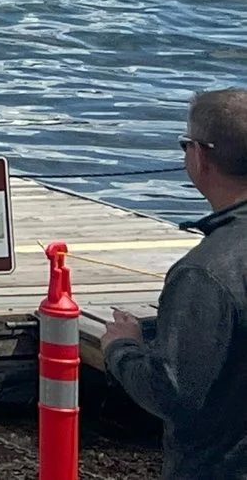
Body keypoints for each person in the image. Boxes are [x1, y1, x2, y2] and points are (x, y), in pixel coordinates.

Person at [105, 87, 247, 480]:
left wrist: (122, 348)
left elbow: (172, 392)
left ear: (199, 156)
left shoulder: (205, 273)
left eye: (185, 143)